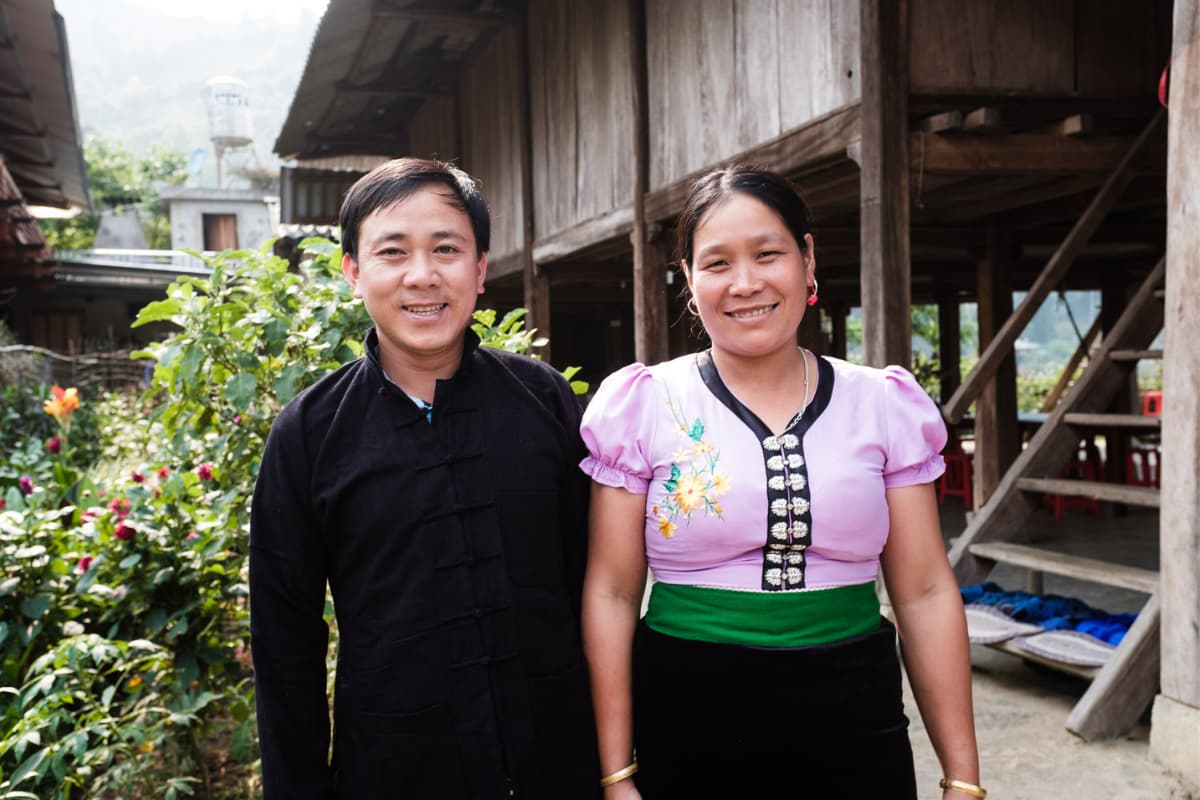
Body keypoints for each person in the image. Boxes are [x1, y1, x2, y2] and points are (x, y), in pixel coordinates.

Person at [580, 164, 982, 799]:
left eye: (768, 254)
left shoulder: (882, 403)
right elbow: (610, 593)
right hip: (689, 711)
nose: (745, 284)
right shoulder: (644, 404)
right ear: (688, 278)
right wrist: (616, 772)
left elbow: (926, 591)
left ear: (807, 258)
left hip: (854, 713)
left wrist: (963, 780)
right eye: (716, 264)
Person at [250, 157, 600, 799]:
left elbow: (596, 589)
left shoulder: (542, 400)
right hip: (393, 769)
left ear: (480, 268)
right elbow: (284, 644)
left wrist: (616, 765)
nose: (422, 275)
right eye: (392, 252)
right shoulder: (309, 433)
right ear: (353, 271)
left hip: (557, 764)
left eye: (446, 249)